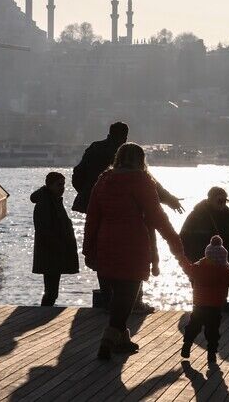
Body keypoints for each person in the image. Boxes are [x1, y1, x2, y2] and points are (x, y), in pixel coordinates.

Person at [82, 142, 185, 360]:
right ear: (141, 160)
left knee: (117, 296)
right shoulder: (141, 180)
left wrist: (88, 249)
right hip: (133, 245)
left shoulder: (103, 180)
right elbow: (157, 216)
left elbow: (92, 218)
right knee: (127, 295)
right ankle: (108, 339)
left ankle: (122, 339)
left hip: (106, 243)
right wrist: (175, 243)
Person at [72, 121, 183, 311]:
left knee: (103, 253)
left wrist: (87, 194)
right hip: (132, 219)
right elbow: (151, 189)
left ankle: (109, 298)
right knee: (137, 256)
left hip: (99, 210)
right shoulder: (128, 156)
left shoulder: (96, 153)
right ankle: (134, 301)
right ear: (125, 135)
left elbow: (77, 174)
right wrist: (171, 200)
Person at [180, 235, 229, 365]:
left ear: (207, 254)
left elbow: (187, 268)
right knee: (212, 331)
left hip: (199, 305)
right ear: (223, 258)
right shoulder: (223, 271)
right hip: (215, 307)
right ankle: (211, 355)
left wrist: (181, 258)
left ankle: (187, 345)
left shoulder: (197, 268)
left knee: (193, 326)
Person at [31, 172, 79, 306]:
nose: (62, 188)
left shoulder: (53, 200)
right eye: (59, 185)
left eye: (63, 184)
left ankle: (44, 312)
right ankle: (44, 312)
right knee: (51, 291)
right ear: (50, 185)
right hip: (51, 253)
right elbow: (44, 229)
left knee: (52, 290)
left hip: (53, 252)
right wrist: (59, 246)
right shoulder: (46, 203)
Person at [180, 187, 229, 263]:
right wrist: (193, 262)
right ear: (210, 200)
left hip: (224, 262)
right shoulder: (196, 216)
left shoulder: (228, 215)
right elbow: (183, 238)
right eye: (219, 201)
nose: (223, 204)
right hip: (201, 262)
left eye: (225, 201)